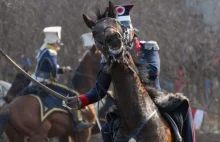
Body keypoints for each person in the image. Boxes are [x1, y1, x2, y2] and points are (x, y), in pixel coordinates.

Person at [65, 4, 195, 142]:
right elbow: (99, 89)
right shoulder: (109, 58)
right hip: (125, 107)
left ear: (131, 32)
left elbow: (153, 72)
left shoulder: (148, 48)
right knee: (105, 129)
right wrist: (81, 100)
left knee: (183, 107)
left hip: (154, 99)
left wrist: (128, 59)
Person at [18, 26, 94, 132]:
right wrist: (54, 79)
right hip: (46, 83)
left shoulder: (44, 50)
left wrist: (64, 69)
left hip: (37, 81)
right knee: (74, 95)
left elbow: (50, 67)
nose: (58, 45)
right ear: (55, 42)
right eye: (58, 43)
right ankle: (78, 122)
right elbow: (53, 69)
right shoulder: (52, 52)